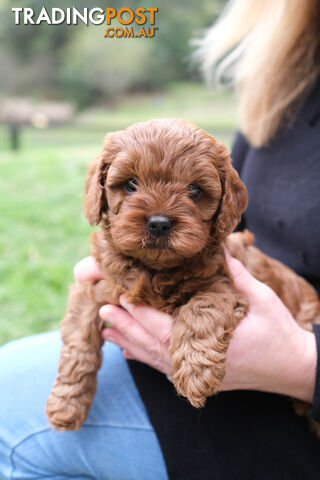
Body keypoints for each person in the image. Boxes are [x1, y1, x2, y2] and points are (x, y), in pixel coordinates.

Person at [1, 0, 320, 478]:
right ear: (99, 194)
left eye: (194, 193)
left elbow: (218, 292)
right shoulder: (287, 69)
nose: (159, 216)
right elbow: (88, 301)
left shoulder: (213, 256)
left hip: (274, 392)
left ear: (222, 210)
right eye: (130, 186)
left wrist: (301, 368)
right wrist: (73, 382)